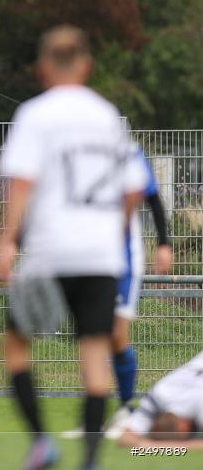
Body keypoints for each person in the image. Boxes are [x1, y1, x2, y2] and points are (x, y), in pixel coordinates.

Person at [0, 25, 147, 470]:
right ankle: (91, 461)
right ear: (86, 66)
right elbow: (135, 188)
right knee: (95, 358)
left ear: (43, 67)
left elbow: (22, 183)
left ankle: (42, 442)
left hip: (51, 252)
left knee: (17, 345)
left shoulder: (35, 114)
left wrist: (7, 242)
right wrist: (114, 230)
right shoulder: (107, 115)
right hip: (100, 255)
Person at [63, 146, 174, 441]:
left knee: (116, 334)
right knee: (90, 336)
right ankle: (93, 419)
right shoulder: (71, 149)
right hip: (85, 259)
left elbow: (152, 197)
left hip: (123, 261)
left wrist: (164, 243)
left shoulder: (127, 151)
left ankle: (126, 411)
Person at [118, 350, 203, 450]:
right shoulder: (158, 395)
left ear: (183, 429)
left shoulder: (158, 396)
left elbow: (127, 439)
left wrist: (159, 446)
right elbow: (125, 439)